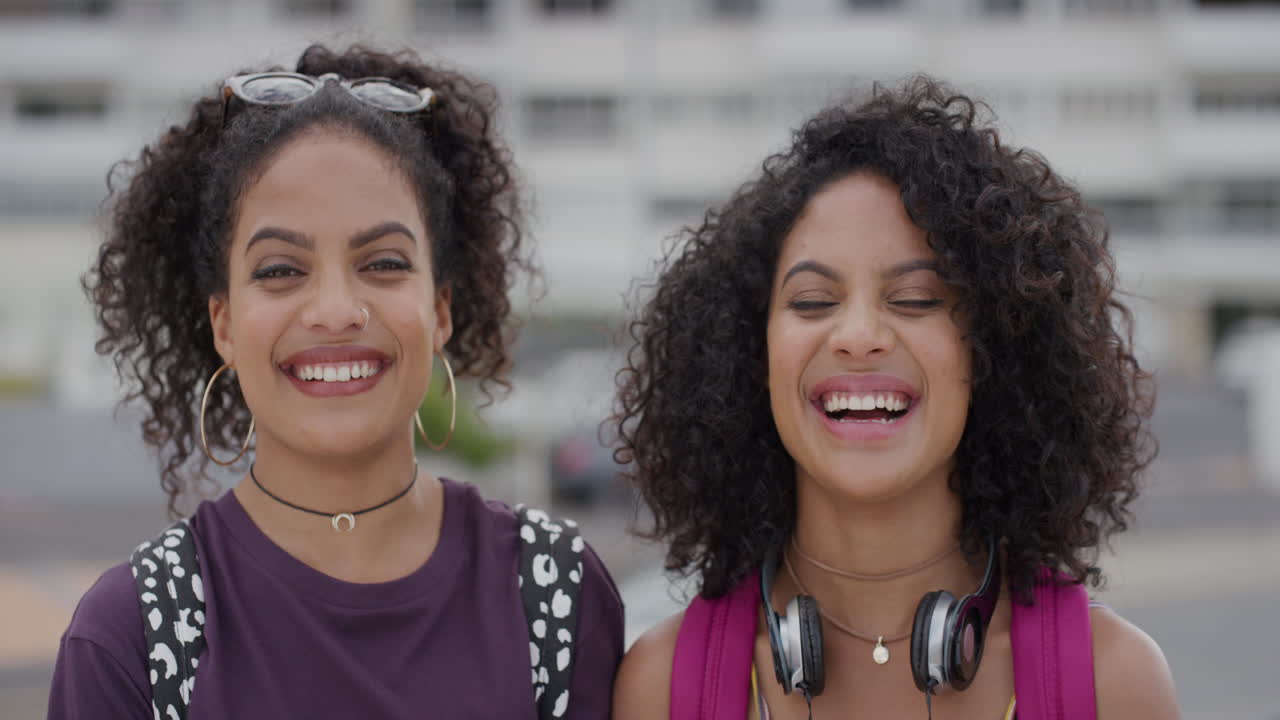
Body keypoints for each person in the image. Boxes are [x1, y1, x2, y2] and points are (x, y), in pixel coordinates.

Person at [50, 44, 623, 718]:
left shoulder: (555, 596)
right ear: (224, 325)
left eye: (382, 262)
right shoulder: (130, 638)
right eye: (280, 270)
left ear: (440, 311)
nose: (334, 312)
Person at [611, 77, 1178, 719]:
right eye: (812, 302)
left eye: (915, 300)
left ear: (995, 349)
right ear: (748, 353)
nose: (858, 337)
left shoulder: (1114, 681)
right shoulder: (660, 686)